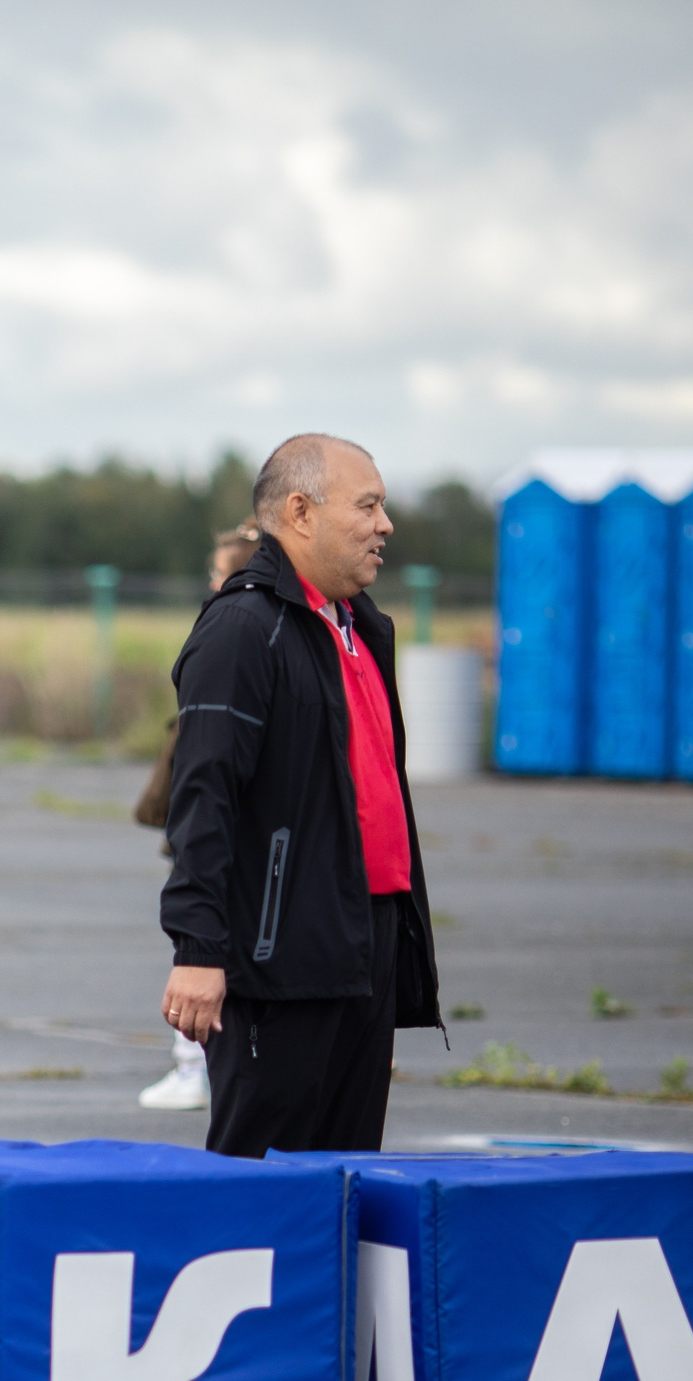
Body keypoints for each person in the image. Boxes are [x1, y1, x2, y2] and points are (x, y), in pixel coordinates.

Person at [159, 434, 442, 1157]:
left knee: (347, 1179)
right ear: (300, 511)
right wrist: (197, 949)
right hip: (278, 959)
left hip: (363, 945)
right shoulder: (245, 628)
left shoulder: (360, 627)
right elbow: (203, 800)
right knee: (264, 1188)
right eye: (368, 505)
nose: (385, 525)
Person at [132, 518, 260, 1112]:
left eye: (216, 572)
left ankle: (192, 1064)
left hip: (213, 834)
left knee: (201, 940)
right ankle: (194, 1063)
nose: (210, 582)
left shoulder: (230, 628)